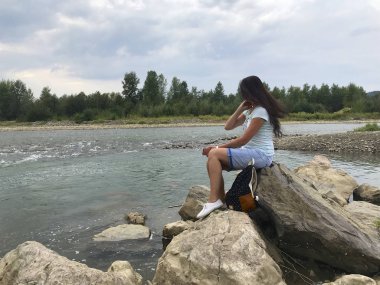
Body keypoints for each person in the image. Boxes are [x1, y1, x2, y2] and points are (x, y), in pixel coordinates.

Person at [196, 75, 286, 219]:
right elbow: (228, 126)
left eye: (244, 92)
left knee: (214, 154)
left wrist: (217, 148)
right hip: (250, 152)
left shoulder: (261, 111)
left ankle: (213, 201)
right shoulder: (249, 111)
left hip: (261, 155)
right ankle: (221, 200)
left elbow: (244, 140)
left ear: (251, 92)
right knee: (213, 160)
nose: (243, 95)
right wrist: (240, 108)